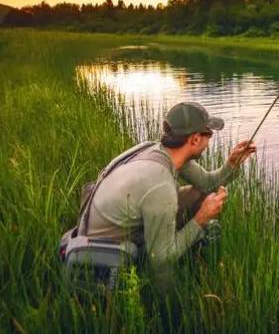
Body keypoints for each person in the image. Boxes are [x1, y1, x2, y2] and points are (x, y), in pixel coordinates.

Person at [85, 101, 256, 291]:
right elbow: (159, 258)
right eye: (209, 134)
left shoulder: (160, 151)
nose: (210, 140)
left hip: (122, 225)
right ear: (195, 140)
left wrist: (232, 163)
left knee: (200, 193)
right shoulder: (160, 185)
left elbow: (208, 184)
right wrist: (201, 219)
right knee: (164, 262)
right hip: (108, 251)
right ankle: (167, 306)